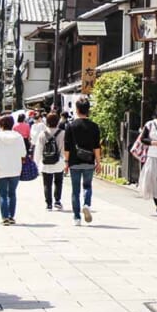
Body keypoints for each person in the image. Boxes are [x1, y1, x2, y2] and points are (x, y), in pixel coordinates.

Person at [63, 97, 101, 226]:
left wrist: (66, 163)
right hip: (89, 161)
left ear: (77, 109)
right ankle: (86, 204)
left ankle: (77, 218)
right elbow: (97, 146)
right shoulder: (94, 127)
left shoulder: (71, 126)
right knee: (87, 186)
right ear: (88, 110)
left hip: (74, 161)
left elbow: (67, 146)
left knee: (75, 190)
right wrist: (99, 162)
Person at [0, 115, 26, 225]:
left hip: (0, 168)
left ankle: (5, 217)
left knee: (2, 194)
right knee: (12, 193)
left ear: (0, 124)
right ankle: (11, 216)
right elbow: (23, 153)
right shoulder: (18, 136)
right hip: (15, 168)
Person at [34, 112, 65, 210]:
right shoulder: (62, 133)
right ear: (57, 121)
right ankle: (57, 201)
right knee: (58, 182)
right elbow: (64, 149)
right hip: (59, 162)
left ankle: (48, 204)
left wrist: (37, 162)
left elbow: (38, 149)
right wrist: (65, 160)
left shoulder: (42, 134)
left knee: (47, 183)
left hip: (45, 163)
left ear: (46, 122)